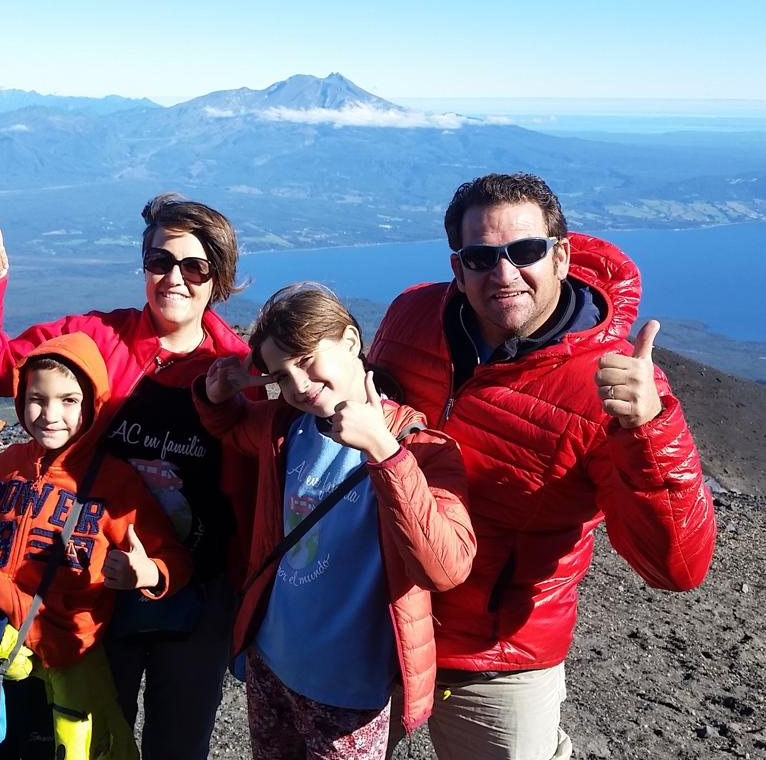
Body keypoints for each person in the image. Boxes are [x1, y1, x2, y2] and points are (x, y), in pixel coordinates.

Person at [369, 173, 717, 759]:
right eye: (481, 257)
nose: (503, 274)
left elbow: (676, 568)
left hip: (496, 656)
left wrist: (651, 431)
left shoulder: (615, 385)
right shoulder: (411, 317)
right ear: (458, 268)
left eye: (525, 251)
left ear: (561, 255)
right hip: (381, 619)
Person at [0, 193, 258, 760]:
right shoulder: (96, 340)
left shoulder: (236, 367)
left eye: (194, 267)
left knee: (179, 741)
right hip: (91, 585)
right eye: (160, 262)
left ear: (219, 277)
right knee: (89, 737)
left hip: (202, 587)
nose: (174, 279)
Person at [194, 283, 476, 760]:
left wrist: (385, 453)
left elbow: (445, 568)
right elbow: (232, 428)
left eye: (306, 360)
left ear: (350, 341)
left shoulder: (423, 448)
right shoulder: (285, 426)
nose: (299, 385)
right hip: (271, 664)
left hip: (349, 693)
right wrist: (215, 392)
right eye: (282, 376)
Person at [0, 333, 192, 760]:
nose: (50, 414)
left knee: (83, 743)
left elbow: (172, 556)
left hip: (66, 649)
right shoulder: (9, 465)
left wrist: (149, 573)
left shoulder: (114, 484)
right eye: (37, 398)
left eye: (68, 401)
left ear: (93, 406)